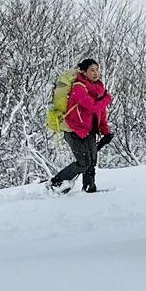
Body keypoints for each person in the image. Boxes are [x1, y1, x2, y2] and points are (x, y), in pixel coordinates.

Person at [48, 58, 114, 192]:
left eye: (97, 70)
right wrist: (106, 99)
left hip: (89, 131)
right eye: (92, 70)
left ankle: (89, 188)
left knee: (92, 162)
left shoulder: (99, 90)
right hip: (74, 131)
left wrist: (105, 131)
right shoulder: (78, 88)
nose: (96, 73)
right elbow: (93, 107)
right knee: (83, 163)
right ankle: (56, 182)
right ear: (84, 72)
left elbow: (100, 114)